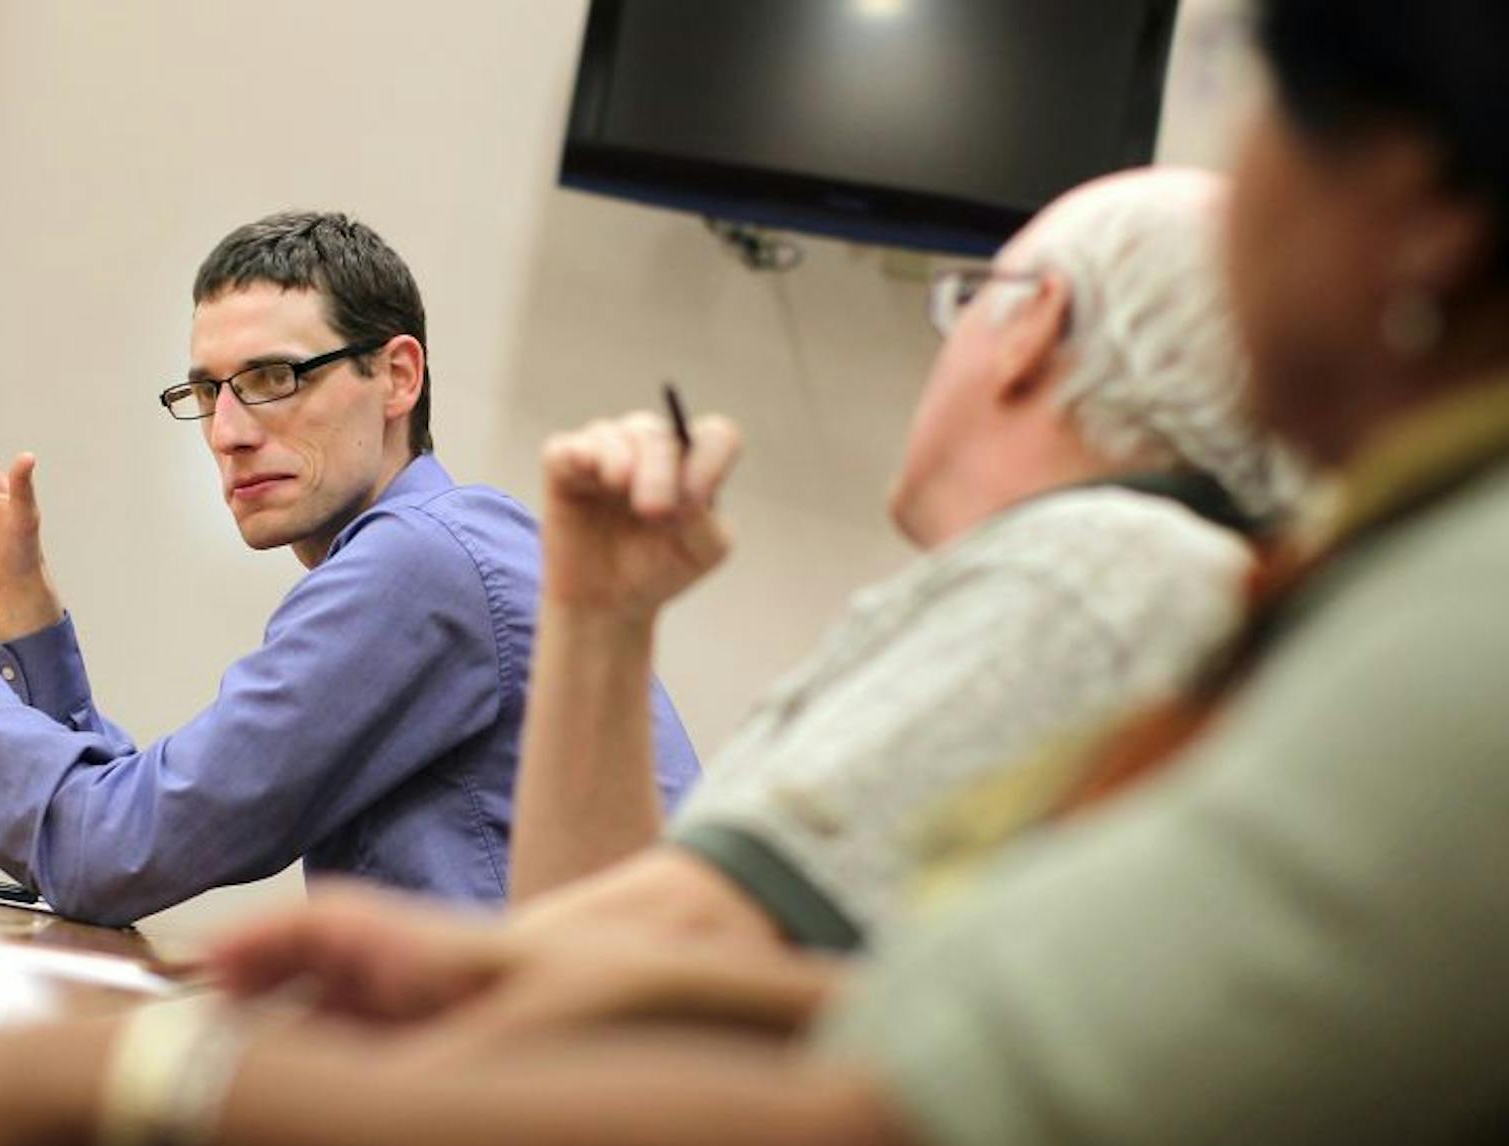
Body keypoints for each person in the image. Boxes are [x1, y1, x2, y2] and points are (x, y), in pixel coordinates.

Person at [0, 0, 1509, 1146]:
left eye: (985, 301)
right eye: (214, 389)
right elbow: (962, 1021)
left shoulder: (1190, 583)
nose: (234, 424)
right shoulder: (1358, 587)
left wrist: (133, 1082)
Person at [0, 211, 698, 923]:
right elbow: (136, 810)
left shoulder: (421, 566)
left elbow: (109, 850)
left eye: (271, 379)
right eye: (206, 390)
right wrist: (18, 594)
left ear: (397, 375)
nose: (225, 431)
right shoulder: (448, 543)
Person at [510, 166, 1302, 954]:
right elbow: (608, 987)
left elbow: (639, 966)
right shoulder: (1160, 588)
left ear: (1034, 323)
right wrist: (600, 619)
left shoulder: (1092, 574)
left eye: (970, 298)